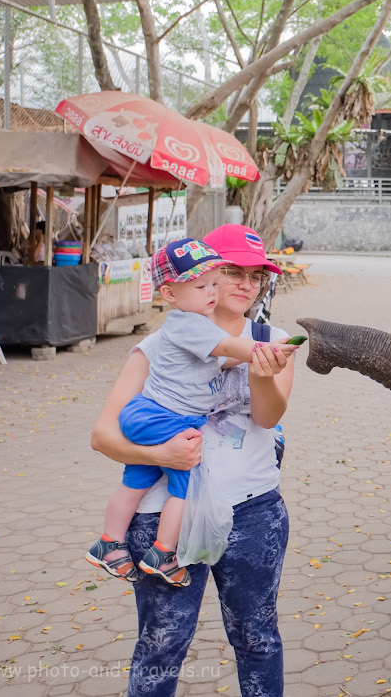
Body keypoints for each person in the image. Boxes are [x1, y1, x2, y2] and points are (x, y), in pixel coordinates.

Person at [91, 224, 292, 697]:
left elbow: (267, 416)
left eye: (256, 276)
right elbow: (103, 435)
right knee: (161, 645)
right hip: (165, 517)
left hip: (253, 511)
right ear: (202, 273)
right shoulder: (158, 346)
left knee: (258, 640)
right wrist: (158, 454)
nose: (245, 284)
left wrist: (261, 371)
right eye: (232, 272)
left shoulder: (270, 339)